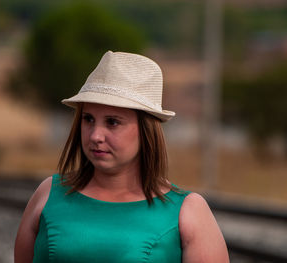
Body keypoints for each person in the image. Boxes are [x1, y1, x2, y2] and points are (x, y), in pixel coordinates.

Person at [14, 51, 229, 263]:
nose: (96, 135)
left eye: (113, 122)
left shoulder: (187, 213)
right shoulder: (48, 194)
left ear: (146, 130)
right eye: (88, 119)